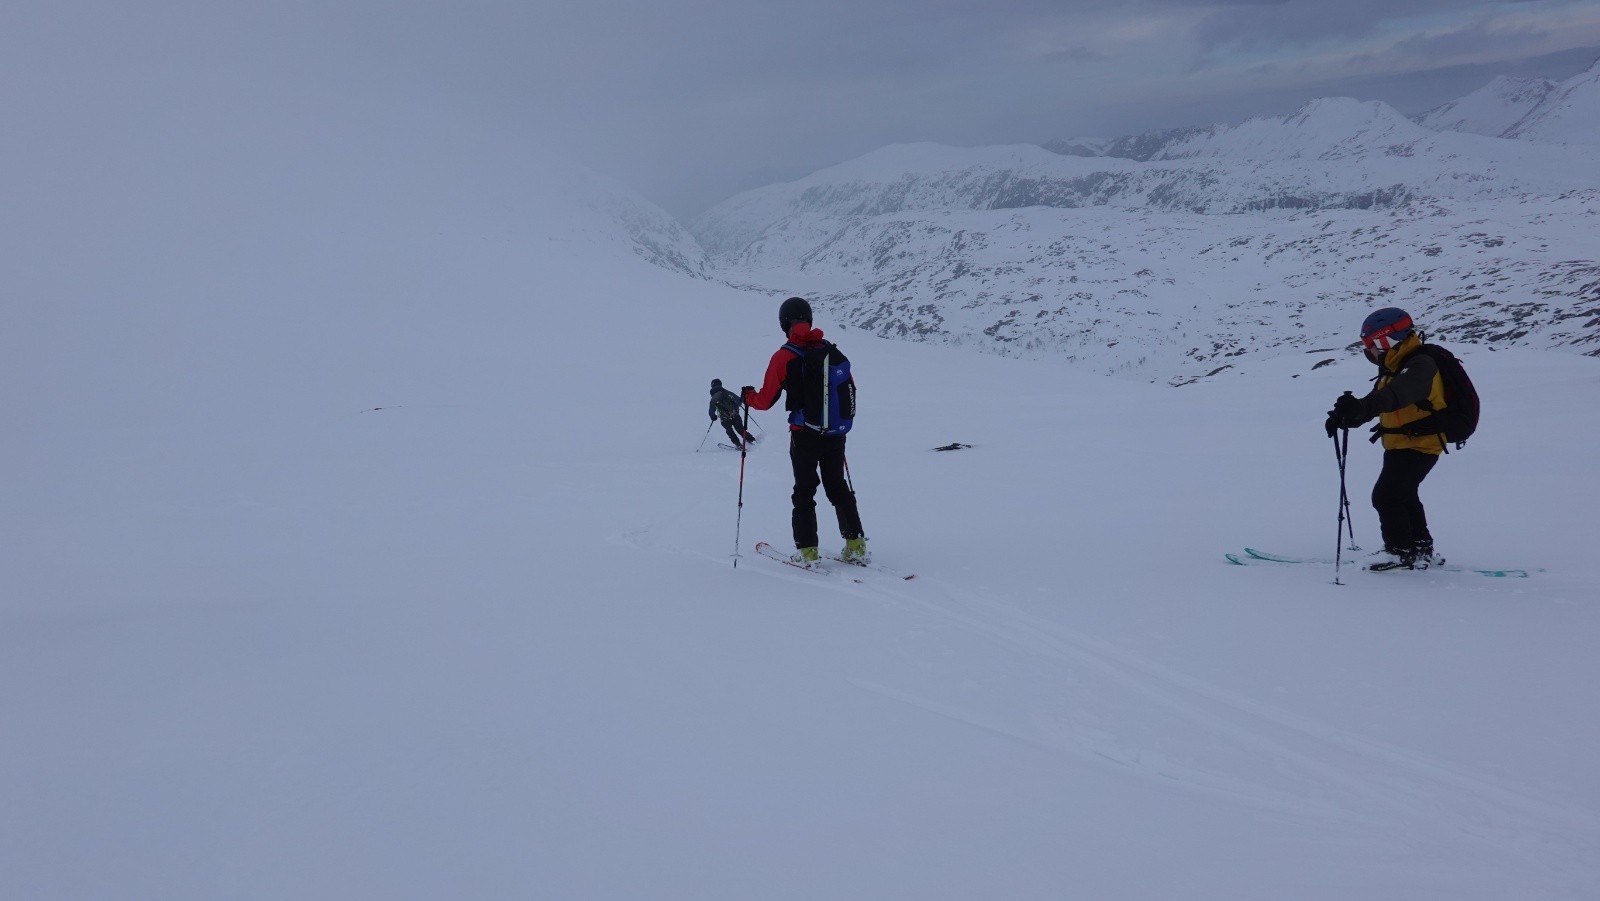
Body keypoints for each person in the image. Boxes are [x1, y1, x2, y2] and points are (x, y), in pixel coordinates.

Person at [741, 297, 868, 565]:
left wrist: (748, 397)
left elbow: (765, 401)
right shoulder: (830, 351)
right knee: (838, 487)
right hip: (835, 433)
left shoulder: (784, 356)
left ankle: (808, 552)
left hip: (804, 434)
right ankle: (856, 545)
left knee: (804, 491)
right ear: (809, 320)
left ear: (784, 323)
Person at [1324, 307, 1448, 571]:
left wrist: (1359, 407)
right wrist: (1346, 417)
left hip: (1419, 443)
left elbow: (1394, 396)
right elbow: (1380, 404)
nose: (1373, 350)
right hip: (1402, 443)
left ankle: (1399, 552)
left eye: (1377, 343)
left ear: (1394, 338)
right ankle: (1420, 548)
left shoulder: (1420, 365)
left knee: (1386, 496)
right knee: (1404, 495)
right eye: (1370, 345)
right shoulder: (1396, 367)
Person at [708, 379, 756, 450]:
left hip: (724, 419)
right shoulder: (726, 392)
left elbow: (711, 410)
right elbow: (739, 401)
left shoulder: (713, 398)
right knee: (741, 430)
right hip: (735, 415)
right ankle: (751, 440)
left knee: (729, 431)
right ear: (720, 384)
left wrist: (713, 417)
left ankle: (738, 444)